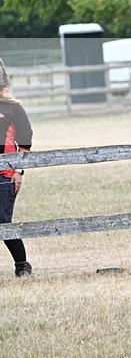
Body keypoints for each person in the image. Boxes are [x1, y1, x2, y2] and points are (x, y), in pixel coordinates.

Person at [0, 58, 33, 276]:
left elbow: (25, 139)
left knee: (3, 221)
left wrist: (19, 171)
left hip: (5, 173)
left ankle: (22, 265)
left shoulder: (12, 107)